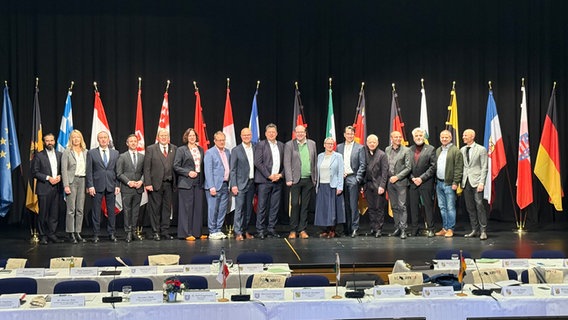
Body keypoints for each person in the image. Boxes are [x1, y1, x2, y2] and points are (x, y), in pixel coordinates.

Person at [86, 131, 120, 243]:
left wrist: (117, 185)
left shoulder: (115, 153)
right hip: (96, 186)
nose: (103, 139)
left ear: (108, 139)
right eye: (101, 138)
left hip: (111, 185)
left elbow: (117, 171)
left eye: (105, 137)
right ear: (98, 139)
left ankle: (112, 233)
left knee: (111, 211)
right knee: (96, 211)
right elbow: (89, 171)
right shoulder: (91, 153)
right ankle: (96, 234)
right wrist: (90, 185)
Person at [284, 125, 317, 239]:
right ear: (295, 133)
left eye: (302, 132)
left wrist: (315, 178)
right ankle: (293, 230)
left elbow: (315, 161)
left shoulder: (312, 144)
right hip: (295, 180)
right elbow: (287, 163)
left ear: (305, 132)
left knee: (305, 206)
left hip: (308, 179)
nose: (300, 134)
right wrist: (289, 178)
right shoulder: (289, 145)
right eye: (298, 132)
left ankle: (302, 229)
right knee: (294, 204)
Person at [144, 128, 177, 241]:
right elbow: (147, 168)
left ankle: (165, 231)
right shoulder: (151, 149)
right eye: (161, 135)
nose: (164, 137)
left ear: (168, 137)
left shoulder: (174, 148)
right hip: (155, 184)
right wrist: (147, 183)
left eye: (166, 135)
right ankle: (155, 231)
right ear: (158, 137)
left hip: (169, 184)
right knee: (155, 209)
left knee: (167, 209)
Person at [174, 128, 206, 241]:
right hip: (186, 182)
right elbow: (176, 166)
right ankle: (186, 233)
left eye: (193, 135)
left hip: (198, 181)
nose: (192, 137)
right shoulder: (181, 150)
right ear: (186, 137)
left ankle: (197, 232)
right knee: (186, 208)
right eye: (190, 135)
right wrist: (188, 172)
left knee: (198, 207)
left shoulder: (200, 149)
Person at [254, 123, 284, 239]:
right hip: (264, 181)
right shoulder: (261, 145)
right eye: (269, 132)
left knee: (274, 206)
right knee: (262, 206)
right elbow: (258, 163)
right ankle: (260, 230)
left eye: (273, 132)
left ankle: (271, 228)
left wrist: (280, 175)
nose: (271, 134)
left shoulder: (281, 145)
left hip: (278, 181)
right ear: (266, 134)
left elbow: (285, 163)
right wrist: (269, 175)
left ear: (276, 133)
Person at [31, 133, 63, 245]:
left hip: (56, 188)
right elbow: (34, 172)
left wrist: (60, 176)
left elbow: (63, 170)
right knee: (43, 214)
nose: (50, 142)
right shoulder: (39, 155)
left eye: (51, 140)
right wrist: (48, 178)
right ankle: (43, 235)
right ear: (44, 142)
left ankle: (52, 234)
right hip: (44, 188)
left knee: (54, 213)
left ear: (55, 141)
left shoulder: (60, 154)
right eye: (47, 141)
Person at [336, 125, 366, 238]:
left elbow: (363, 165)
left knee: (353, 205)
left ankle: (354, 228)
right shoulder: (339, 147)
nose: (349, 136)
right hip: (341, 179)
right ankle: (345, 228)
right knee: (343, 205)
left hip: (353, 178)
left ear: (354, 135)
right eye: (348, 134)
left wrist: (357, 179)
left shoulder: (360, 148)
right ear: (344, 135)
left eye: (351, 134)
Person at [408, 128, 436, 237]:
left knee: (428, 206)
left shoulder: (430, 149)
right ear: (413, 137)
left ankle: (431, 228)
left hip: (426, 182)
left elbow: (433, 167)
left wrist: (421, 178)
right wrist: (412, 178)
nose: (418, 137)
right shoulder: (409, 150)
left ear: (424, 137)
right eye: (416, 136)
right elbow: (407, 167)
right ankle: (414, 229)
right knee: (414, 207)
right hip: (413, 182)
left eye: (420, 135)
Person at [314, 137, 345, 238]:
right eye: (328, 144)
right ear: (324, 145)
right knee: (323, 209)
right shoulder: (320, 156)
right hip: (322, 185)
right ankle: (325, 230)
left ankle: (332, 230)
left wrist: (340, 186)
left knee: (332, 209)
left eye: (332, 144)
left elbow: (340, 172)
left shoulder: (338, 156)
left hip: (333, 185)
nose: (330, 145)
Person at [461, 129, 489, 240]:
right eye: (463, 135)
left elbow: (484, 167)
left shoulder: (481, 149)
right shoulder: (462, 149)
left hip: (477, 181)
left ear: (472, 136)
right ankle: (474, 229)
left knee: (479, 205)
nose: (463, 137)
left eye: (465, 135)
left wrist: (482, 182)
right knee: (470, 207)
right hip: (466, 182)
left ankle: (483, 230)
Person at [434, 130, 463, 238]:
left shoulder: (455, 151)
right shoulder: (438, 150)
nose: (444, 139)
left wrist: (456, 182)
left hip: (450, 184)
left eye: (446, 137)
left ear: (450, 138)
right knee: (442, 207)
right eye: (442, 137)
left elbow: (459, 168)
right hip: (439, 183)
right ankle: (445, 228)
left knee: (450, 207)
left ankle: (451, 228)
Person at [116, 134, 145, 243]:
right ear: (127, 143)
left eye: (135, 141)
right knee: (127, 211)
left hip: (138, 188)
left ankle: (134, 231)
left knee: (136, 211)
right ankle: (128, 232)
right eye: (131, 141)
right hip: (127, 188)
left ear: (137, 143)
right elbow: (119, 173)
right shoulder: (122, 156)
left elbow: (145, 172)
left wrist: (141, 181)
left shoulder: (142, 156)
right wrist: (129, 182)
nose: (133, 143)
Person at [61, 129, 87, 243]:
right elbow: (64, 170)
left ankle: (78, 232)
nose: (76, 139)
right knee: (71, 209)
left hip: (83, 180)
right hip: (72, 181)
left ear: (81, 139)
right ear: (71, 139)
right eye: (74, 137)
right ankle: (70, 233)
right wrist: (66, 185)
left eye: (78, 137)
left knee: (80, 209)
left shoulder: (86, 151)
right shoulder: (67, 151)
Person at [229, 128, 256, 241]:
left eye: (248, 135)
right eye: (244, 135)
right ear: (241, 136)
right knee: (239, 209)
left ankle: (245, 230)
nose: (246, 137)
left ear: (251, 135)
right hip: (240, 184)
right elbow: (233, 169)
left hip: (252, 182)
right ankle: (238, 232)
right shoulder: (236, 150)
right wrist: (233, 185)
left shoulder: (255, 147)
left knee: (249, 209)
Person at [204, 131, 231, 240]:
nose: (221, 142)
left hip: (225, 185)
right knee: (213, 209)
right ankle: (212, 231)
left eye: (223, 140)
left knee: (222, 209)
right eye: (219, 140)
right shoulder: (210, 153)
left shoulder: (228, 152)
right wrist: (211, 186)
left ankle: (218, 229)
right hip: (214, 186)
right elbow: (208, 170)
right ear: (215, 141)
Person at [385, 131, 411, 239]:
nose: (398, 138)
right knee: (394, 206)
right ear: (391, 138)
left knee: (402, 206)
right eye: (396, 137)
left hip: (401, 182)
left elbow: (408, 167)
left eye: (400, 137)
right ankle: (397, 228)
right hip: (390, 182)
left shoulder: (406, 150)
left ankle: (404, 229)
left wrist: (397, 177)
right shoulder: (387, 149)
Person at [362, 134, 389, 237]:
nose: (372, 144)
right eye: (370, 142)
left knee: (379, 208)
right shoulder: (365, 153)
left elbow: (384, 172)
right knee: (371, 208)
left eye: (374, 142)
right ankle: (373, 228)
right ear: (367, 143)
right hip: (368, 185)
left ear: (377, 143)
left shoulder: (382, 155)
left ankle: (379, 229)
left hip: (378, 186)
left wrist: (382, 186)